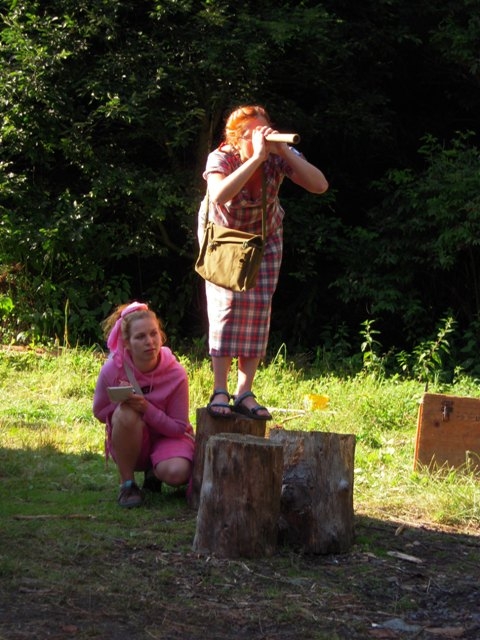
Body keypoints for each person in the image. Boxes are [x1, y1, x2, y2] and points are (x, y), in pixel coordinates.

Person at [200, 105, 328, 420]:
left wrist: (283, 151)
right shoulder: (221, 158)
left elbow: (319, 185)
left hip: (265, 237)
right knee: (226, 308)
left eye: (264, 130)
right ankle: (220, 389)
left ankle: (244, 392)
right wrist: (255, 158)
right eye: (252, 134)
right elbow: (219, 194)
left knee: (258, 310)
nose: (261, 138)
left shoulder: (277, 156)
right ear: (235, 138)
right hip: (225, 238)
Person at [93, 301, 195, 508]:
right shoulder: (113, 369)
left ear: (161, 335)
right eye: (140, 337)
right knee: (125, 413)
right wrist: (124, 403)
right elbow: (99, 411)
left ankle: (154, 473)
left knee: (177, 473)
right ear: (127, 343)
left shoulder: (176, 373)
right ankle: (127, 485)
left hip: (168, 438)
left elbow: (178, 428)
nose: (149, 342)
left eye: (153, 334)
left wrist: (146, 408)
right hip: (131, 438)